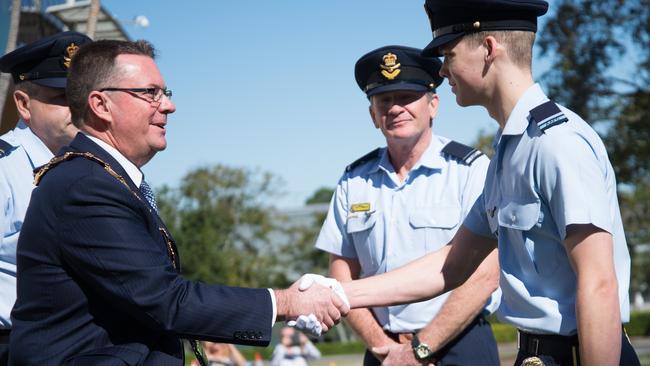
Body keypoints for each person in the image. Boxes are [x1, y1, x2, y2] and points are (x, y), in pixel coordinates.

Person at [311, 1, 640, 365]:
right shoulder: (509, 150)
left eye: (449, 54)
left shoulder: (555, 143)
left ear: (487, 50)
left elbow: (599, 285)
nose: (445, 70)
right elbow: (449, 265)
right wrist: (336, 292)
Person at [9, 39, 348, 365]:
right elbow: (166, 301)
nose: (168, 105)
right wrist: (287, 302)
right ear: (101, 105)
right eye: (149, 93)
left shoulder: (102, 177)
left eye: (165, 93)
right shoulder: (84, 185)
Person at [314, 45, 500, 366]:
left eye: (407, 97)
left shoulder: (470, 170)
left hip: (460, 345)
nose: (396, 108)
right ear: (373, 115)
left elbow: (486, 273)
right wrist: (383, 347)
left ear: (433, 105)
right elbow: (342, 272)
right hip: (382, 350)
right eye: (385, 100)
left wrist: (420, 348)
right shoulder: (353, 180)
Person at [0, 30, 92, 364]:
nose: (79, 108)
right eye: (63, 97)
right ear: (24, 104)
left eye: (84, 96)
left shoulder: (94, 169)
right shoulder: (4, 169)